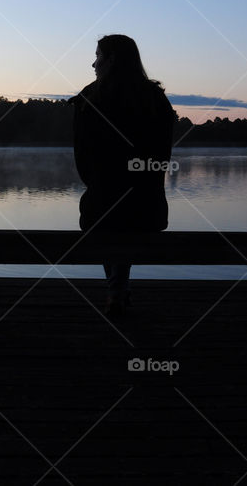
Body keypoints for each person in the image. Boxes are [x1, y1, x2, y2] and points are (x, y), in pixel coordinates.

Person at [70, 35, 176, 317]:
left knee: (106, 213)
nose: (93, 63)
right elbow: (161, 158)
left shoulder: (90, 99)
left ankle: (116, 289)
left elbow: (83, 160)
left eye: (98, 56)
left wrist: (100, 182)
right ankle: (118, 289)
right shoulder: (154, 99)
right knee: (126, 214)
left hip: (101, 206)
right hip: (148, 208)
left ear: (112, 59)